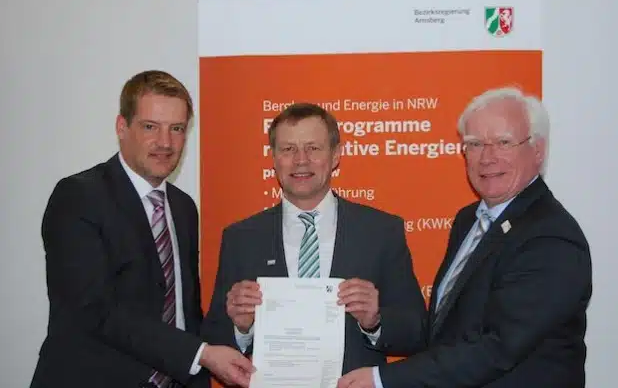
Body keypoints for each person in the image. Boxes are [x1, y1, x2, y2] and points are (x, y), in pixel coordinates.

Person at [337, 87, 592, 388]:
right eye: (474, 144)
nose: (487, 157)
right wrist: (377, 321)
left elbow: (497, 348)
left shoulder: (550, 236)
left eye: (503, 142)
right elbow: (446, 331)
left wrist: (384, 379)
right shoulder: (468, 220)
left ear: (537, 150)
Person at [30, 70, 254, 388]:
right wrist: (200, 353)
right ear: (122, 127)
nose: (165, 142)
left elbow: (183, 315)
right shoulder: (79, 197)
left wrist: (236, 331)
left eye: (177, 129)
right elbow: (94, 309)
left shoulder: (183, 208)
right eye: (151, 127)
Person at [199, 103, 427, 382]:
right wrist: (241, 328)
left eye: (313, 148)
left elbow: (417, 332)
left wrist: (376, 321)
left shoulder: (381, 231)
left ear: (335, 156)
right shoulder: (241, 238)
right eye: (288, 149)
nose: (300, 160)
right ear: (273, 158)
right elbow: (214, 340)